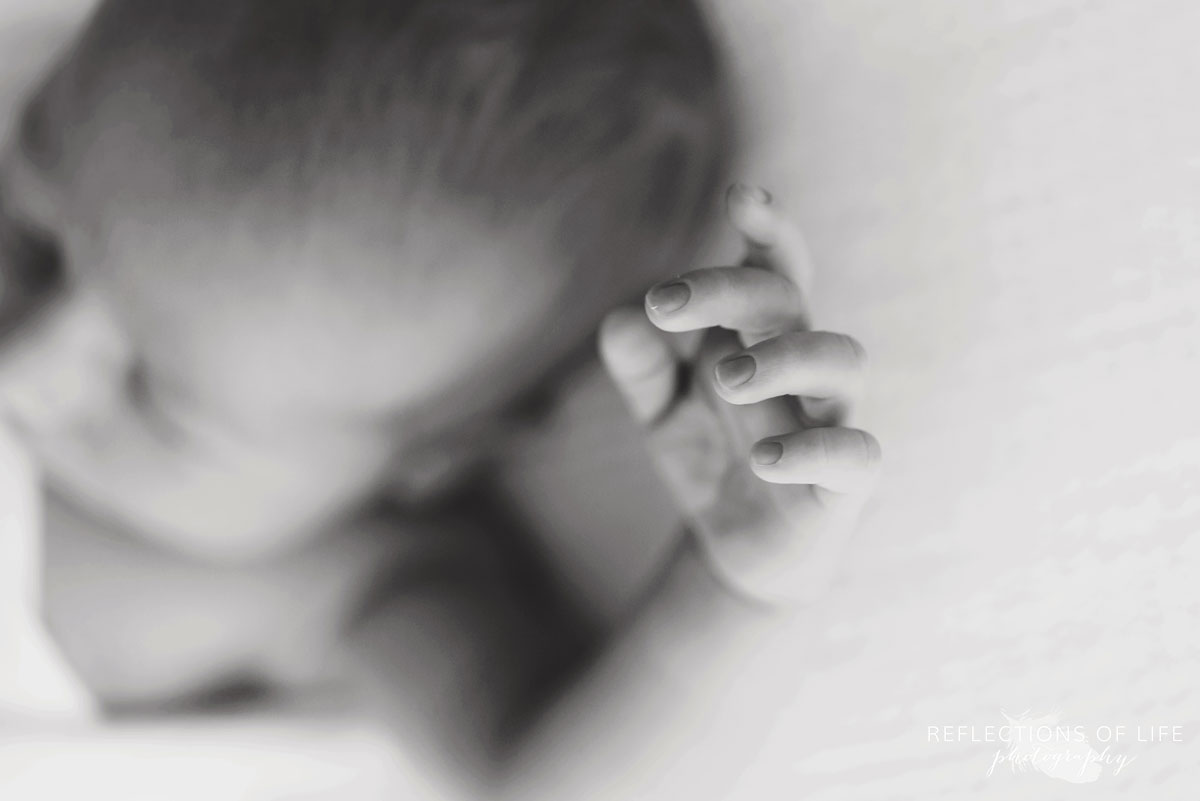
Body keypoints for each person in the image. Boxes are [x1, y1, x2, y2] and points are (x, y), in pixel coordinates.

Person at [0, 0, 880, 795]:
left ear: (440, 453)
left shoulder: (358, 587)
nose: (23, 362)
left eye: (153, 398)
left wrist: (730, 591)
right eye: (35, 237)